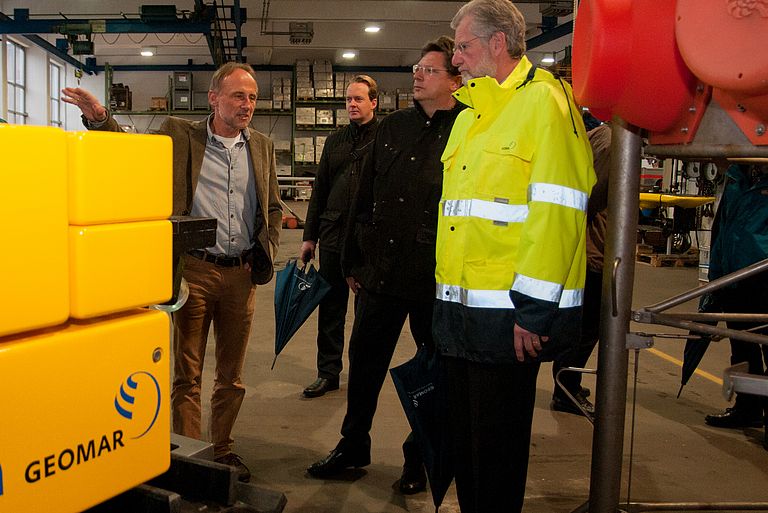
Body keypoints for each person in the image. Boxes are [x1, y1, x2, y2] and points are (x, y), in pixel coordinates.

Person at [62, 62, 282, 482]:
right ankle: (193, 458)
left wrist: (265, 248)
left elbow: (272, 205)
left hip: (240, 275)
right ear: (214, 98)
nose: (247, 105)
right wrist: (101, 118)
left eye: (253, 97)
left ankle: (223, 449)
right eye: (238, 95)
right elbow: (135, 155)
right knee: (188, 373)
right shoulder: (180, 134)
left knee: (232, 376)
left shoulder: (262, 145)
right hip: (195, 270)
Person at [433, 1, 595, 511]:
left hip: (509, 319)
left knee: (497, 454)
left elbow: (557, 214)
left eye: (464, 46)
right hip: (458, 317)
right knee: (467, 449)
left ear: (498, 43)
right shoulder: (470, 117)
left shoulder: (545, 103)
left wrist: (534, 310)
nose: (456, 59)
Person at [306, 36, 464, 495]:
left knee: (432, 371)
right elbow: (364, 196)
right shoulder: (393, 127)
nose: (418, 76)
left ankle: (419, 457)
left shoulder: (469, 128)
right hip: (382, 271)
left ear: (455, 80)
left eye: (430, 70)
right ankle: (353, 444)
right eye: (417, 68)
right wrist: (353, 259)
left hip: (435, 277)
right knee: (364, 362)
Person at [299, 75, 379, 398]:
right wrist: (309, 237)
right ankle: (328, 372)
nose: (352, 104)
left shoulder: (384, 139)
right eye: (348, 99)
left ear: (374, 102)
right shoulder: (335, 141)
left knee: (366, 313)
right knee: (331, 309)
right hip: (332, 236)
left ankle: (362, 374)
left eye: (359, 99)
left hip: (365, 241)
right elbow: (320, 189)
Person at [701, 163, 768, 449]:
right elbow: (723, 228)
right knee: (741, 348)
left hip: (763, 277)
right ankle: (748, 409)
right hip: (734, 276)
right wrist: (716, 278)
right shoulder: (736, 176)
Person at [551, 121, 610, 418]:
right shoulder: (613, 143)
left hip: (592, 248)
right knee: (587, 329)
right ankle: (566, 390)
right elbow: (592, 194)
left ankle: (567, 384)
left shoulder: (601, 135)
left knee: (585, 326)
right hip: (595, 251)